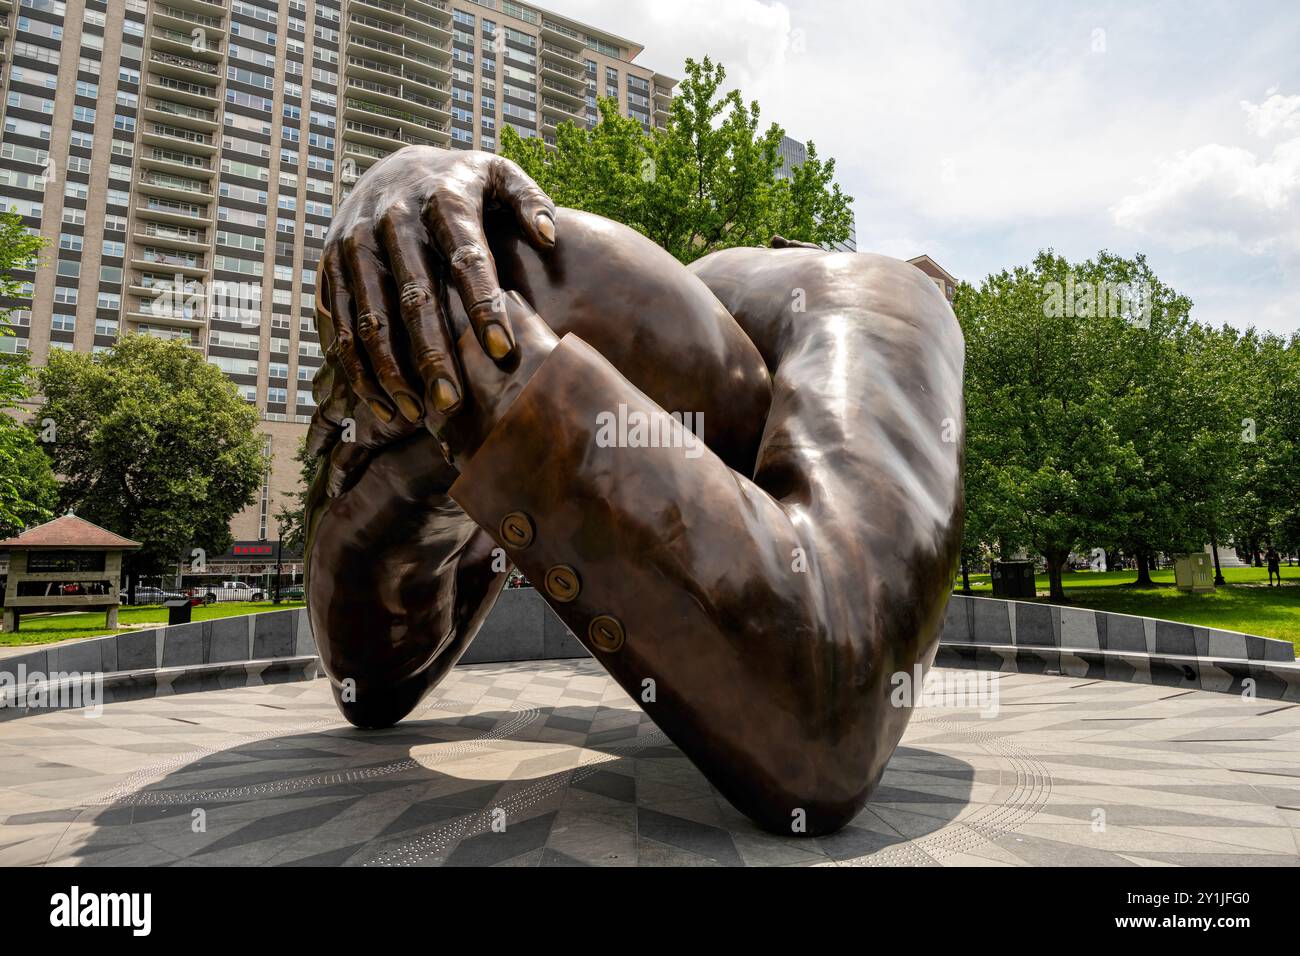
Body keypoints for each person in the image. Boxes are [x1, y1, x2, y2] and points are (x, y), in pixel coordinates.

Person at [303, 149, 964, 835]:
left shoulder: (867, 291)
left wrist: (437, 394)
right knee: (491, 275)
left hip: (579, 308)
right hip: (573, 306)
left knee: (497, 278)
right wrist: (443, 394)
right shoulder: (864, 289)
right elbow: (373, 684)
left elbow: (831, 714)